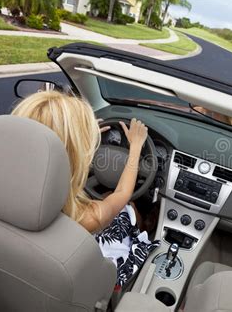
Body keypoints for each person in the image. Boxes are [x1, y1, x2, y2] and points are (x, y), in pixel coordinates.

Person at [11, 91, 159, 286]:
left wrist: (81, 135)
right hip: (96, 279)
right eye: (84, 146)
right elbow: (122, 193)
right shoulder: (85, 219)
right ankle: (148, 226)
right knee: (128, 206)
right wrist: (136, 148)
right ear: (73, 158)